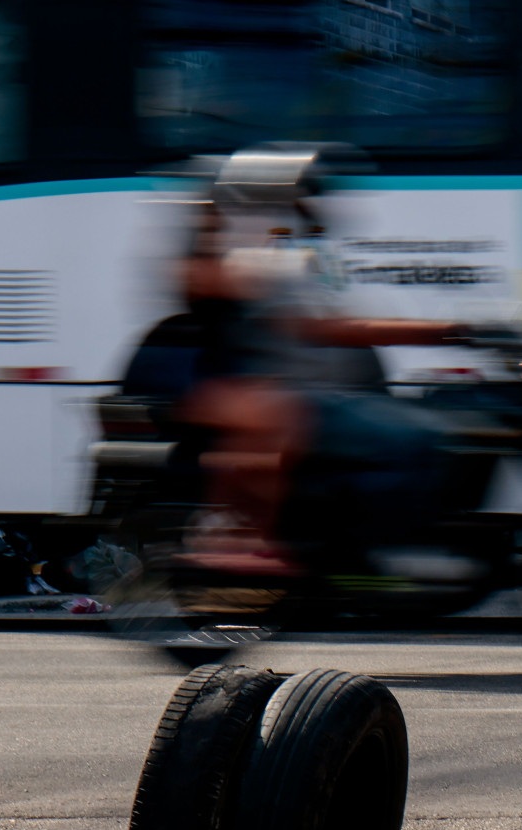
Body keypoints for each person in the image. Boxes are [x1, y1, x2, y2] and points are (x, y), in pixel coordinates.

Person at [169, 145, 486, 575]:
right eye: (300, 196)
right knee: (416, 438)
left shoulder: (283, 254)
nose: (311, 206)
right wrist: (444, 331)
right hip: (288, 400)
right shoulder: (249, 259)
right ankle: (379, 554)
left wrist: (445, 331)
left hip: (310, 394)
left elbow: (336, 323)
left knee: (418, 422)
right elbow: (329, 327)